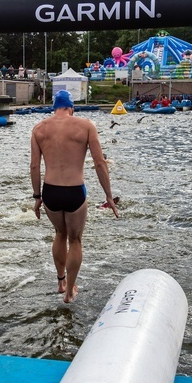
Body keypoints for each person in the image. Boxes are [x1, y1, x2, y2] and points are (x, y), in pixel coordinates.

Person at [30, 89, 118, 303]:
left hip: (50, 190)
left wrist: (37, 197)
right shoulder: (86, 125)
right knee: (75, 239)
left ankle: (60, 282)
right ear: (71, 107)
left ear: (55, 107)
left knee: (59, 233)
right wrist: (108, 196)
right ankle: (70, 291)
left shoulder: (39, 129)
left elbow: (34, 166)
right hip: (74, 191)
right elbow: (99, 163)